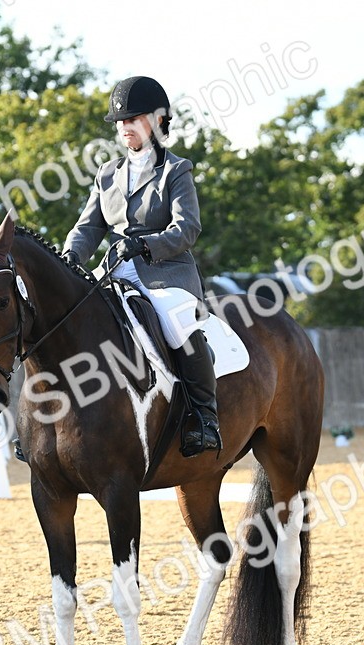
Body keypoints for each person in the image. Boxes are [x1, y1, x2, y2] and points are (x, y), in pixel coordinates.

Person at [62, 76, 221, 457]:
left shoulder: (176, 171)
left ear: (157, 120)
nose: (123, 127)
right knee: (67, 319)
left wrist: (145, 245)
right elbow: (88, 227)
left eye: (132, 118)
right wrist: (69, 256)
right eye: (120, 121)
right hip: (114, 269)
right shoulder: (107, 174)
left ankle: (205, 417)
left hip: (165, 272)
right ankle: (51, 417)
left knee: (179, 324)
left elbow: (187, 229)